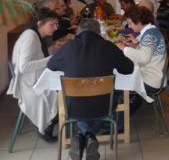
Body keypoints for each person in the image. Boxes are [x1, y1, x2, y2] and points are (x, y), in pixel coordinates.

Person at [47, 19, 134, 160]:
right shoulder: (108, 46)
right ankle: (90, 136)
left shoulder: (69, 46)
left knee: (82, 107)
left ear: (78, 32)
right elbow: (128, 68)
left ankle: (83, 136)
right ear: (99, 32)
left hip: (74, 108)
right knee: (108, 100)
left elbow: (51, 65)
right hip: (103, 106)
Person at [7, 7, 59, 142]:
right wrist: (50, 60)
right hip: (28, 84)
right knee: (62, 90)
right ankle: (48, 125)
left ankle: (52, 121)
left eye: (56, 24)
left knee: (60, 83)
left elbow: (37, 57)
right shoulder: (30, 37)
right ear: (40, 23)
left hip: (33, 78)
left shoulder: (35, 35)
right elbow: (24, 67)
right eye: (52, 24)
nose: (55, 28)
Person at [118, 6, 167, 112]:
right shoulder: (150, 31)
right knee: (122, 75)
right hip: (152, 76)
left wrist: (124, 48)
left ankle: (122, 115)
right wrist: (135, 45)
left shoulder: (150, 35)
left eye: (130, 23)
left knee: (117, 81)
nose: (129, 26)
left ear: (139, 21)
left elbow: (144, 58)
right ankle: (131, 106)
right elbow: (148, 53)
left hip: (150, 81)